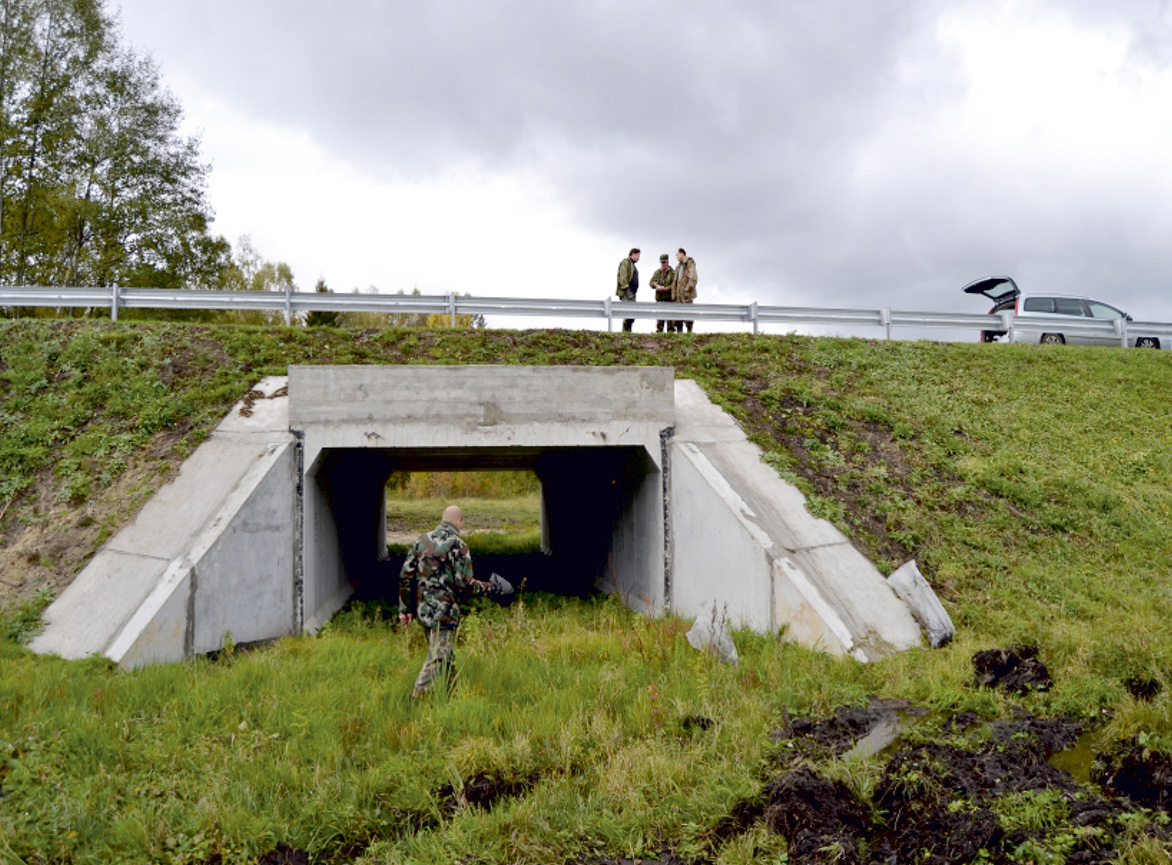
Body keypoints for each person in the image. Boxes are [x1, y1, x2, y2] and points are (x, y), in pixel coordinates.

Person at [398, 505, 511, 698]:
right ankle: (415, 702)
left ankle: (452, 695)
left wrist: (405, 609)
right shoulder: (459, 545)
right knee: (438, 657)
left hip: (423, 611)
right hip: (445, 613)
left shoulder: (421, 541)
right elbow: (464, 584)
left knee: (445, 655)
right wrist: (491, 587)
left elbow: (406, 576)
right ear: (459, 521)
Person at [672, 248, 698, 333]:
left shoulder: (690, 264)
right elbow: (675, 281)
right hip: (679, 296)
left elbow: (693, 279)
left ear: (682, 254)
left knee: (688, 315)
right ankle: (680, 335)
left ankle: (689, 334)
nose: (677, 256)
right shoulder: (678, 267)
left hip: (687, 295)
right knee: (678, 317)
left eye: (677, 254)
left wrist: (687, 290)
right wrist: (674, 293)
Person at [649, 253, 676, 332]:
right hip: (660, 299)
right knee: (660, 320)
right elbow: (651, 282)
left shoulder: (673, 273)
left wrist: (667, 289)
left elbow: (675, 285)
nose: (663, 264)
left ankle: (670, 335)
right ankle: (659, 334)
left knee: (670, 320)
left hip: (669, 299)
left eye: (664, 262)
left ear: (668, 262)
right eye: (662, 262)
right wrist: (655, 285)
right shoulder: (657, 272)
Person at [616, 247, 640, 332]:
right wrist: (627, 290)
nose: (638, 258)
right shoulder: (626, 263)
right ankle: (625, 333)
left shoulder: (632, 265)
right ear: (633, 254)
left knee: (632, 314)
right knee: (628, 313)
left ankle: (628, 332)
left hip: (632, 293)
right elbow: (623, 277)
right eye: (638, 255)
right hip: (627, 292)